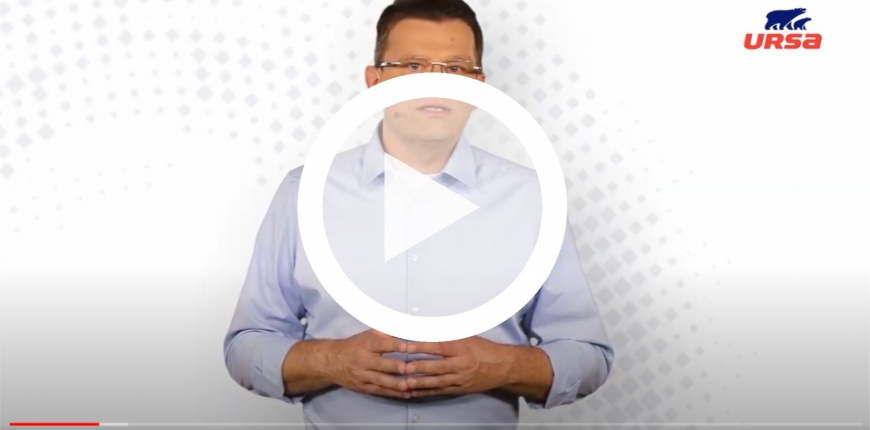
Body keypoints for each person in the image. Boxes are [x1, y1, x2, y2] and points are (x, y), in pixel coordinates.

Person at [223, 0, 614, 428]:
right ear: (374, 81)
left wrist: (502, 367)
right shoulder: (303, 191)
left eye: (456, 68)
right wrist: (330, 361)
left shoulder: (531, 199)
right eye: (413, 65)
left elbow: (587, 355)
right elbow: (247, 345)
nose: (435, 83)